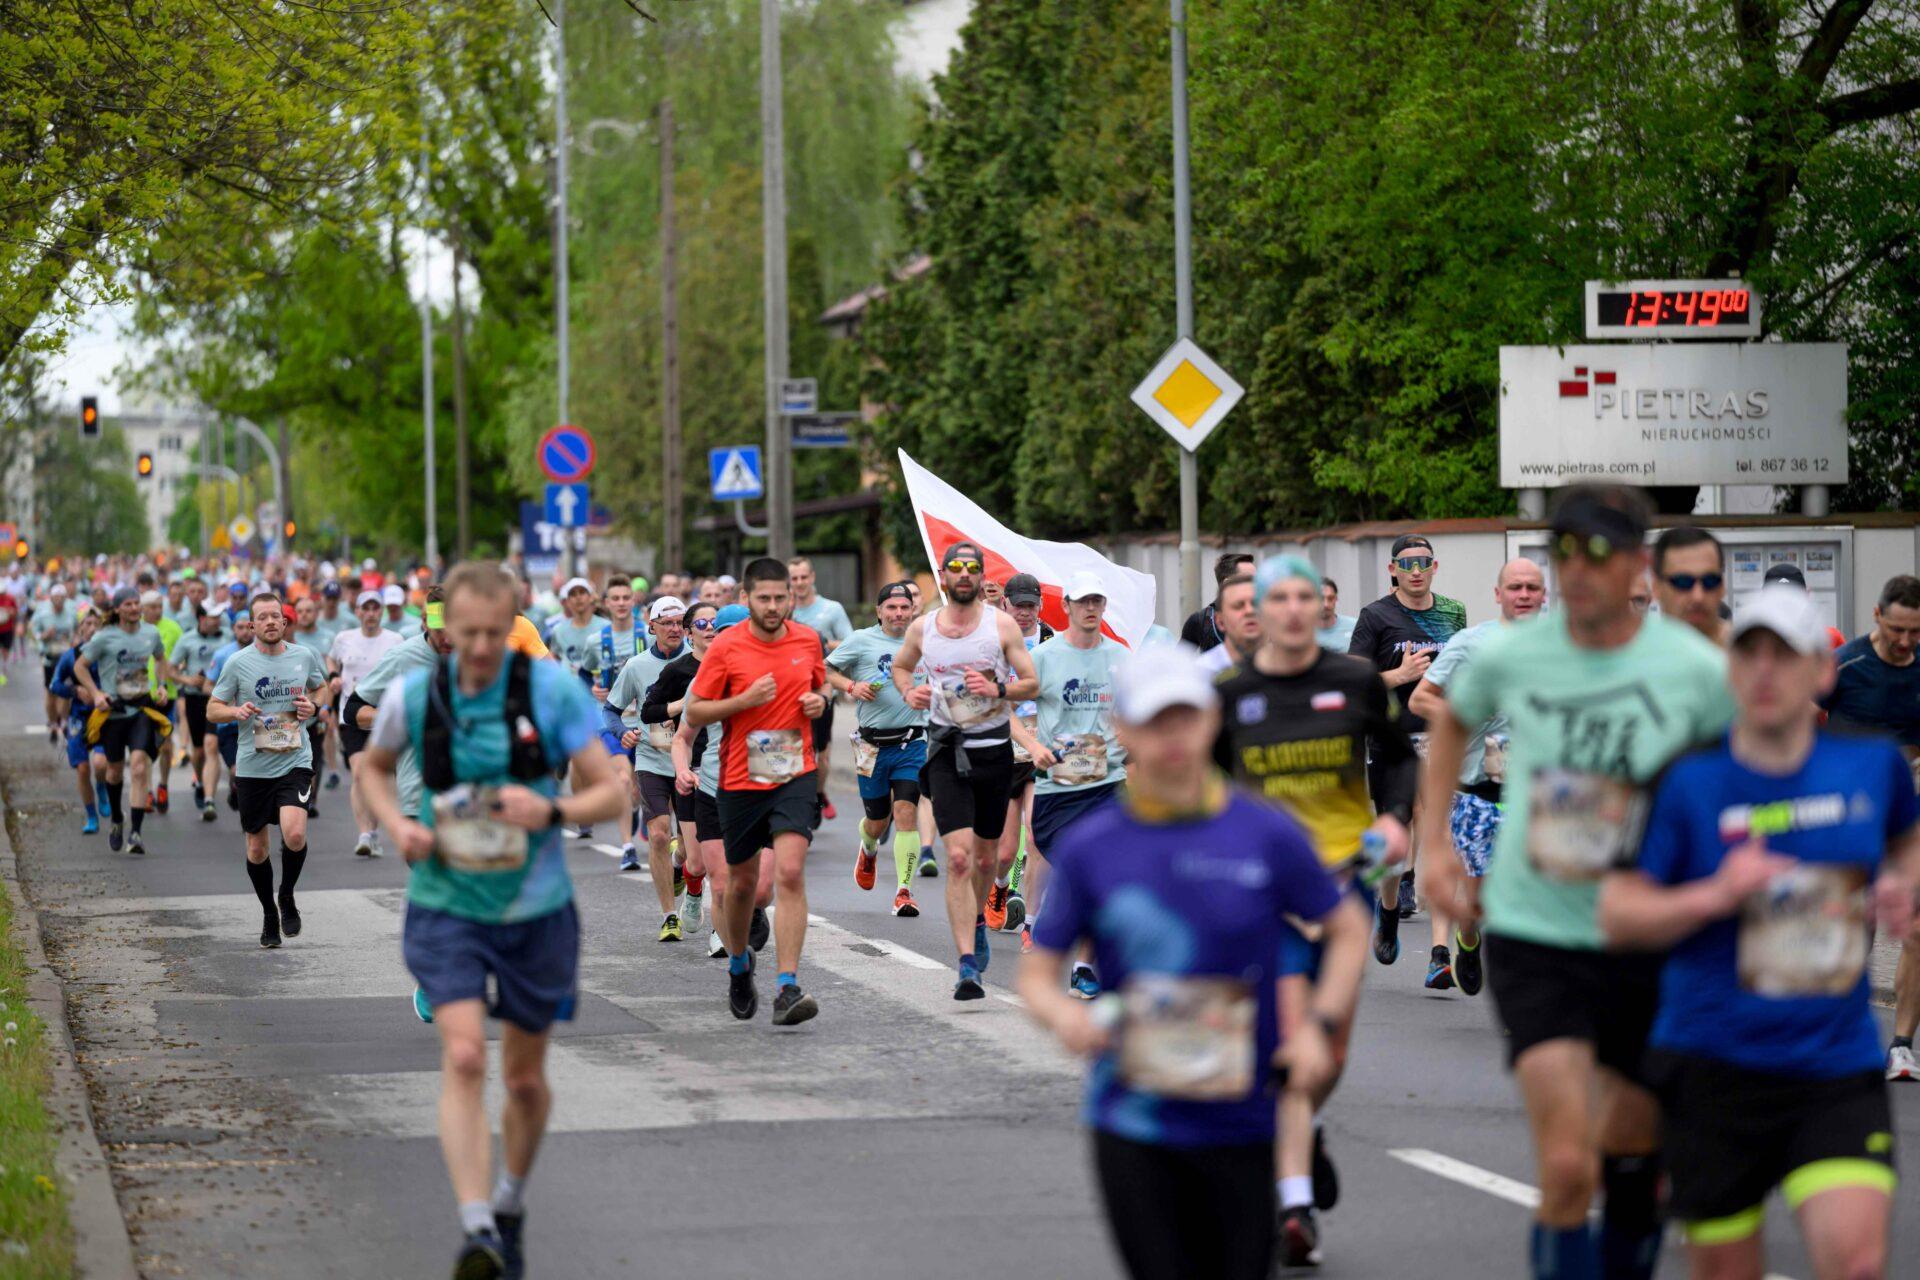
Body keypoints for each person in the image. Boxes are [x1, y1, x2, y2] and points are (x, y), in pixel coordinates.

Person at [1418, 485, 1733, 1280]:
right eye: (1564, 553)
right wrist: (1433, 847)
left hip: (1646, 936)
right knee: (1565, 1167)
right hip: (1536, 929)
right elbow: (1451, 718)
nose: (1577, 572)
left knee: (1632, 1163)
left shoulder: (1692, 669)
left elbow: (1731, 787)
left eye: (1598, 553)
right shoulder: (1516, 653)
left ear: (1635, 562)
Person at [1018, 643, 1365, 1280]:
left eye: (1186, 716)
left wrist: (1319, 1024)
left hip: (1242, 1113)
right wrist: (1065, 1018)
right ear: (1123, 730)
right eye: (1154, 720)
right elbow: (1039, 972)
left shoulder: (1264, 832)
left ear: (1211, 721)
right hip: (1133, 1116)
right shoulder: (1096, 847)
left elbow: (1346, 926)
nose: (1172, 736)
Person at [1600, 584, 1917, 1280]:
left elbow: (1906, 840)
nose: (1766, 671)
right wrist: (1715, 894)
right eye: (1750, 655)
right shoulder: (1685, 780)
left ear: (1823, 671)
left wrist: (1900, 881)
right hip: (1713, 1067)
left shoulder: (1872, 765)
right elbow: (1617, 913)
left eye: (1786, 655)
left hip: (1832, 1066)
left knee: (1858, 1262)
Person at [359, 561, 627, 1280]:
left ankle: (509, 1203)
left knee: (525, 1081)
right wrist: (395, 825)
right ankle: (475, 1226)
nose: (475, 647)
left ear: (514, 622)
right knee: (467, 1056)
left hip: (535, 910)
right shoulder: (415, 693)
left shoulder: (552, 692)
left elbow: (612, 795)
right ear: (441, 625)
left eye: (491, 631)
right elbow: (372, 768)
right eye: (461, 631)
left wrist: (555, 810)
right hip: (446, 904)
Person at [1211, 554, 1414, 1266]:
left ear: (1321, 608)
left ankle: (1308, 1131)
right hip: (1265, 893)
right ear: (1257, 612)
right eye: (1280, 598)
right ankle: (1292, 1206)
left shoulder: (1353, 680)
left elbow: (1397, 756)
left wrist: (1394, 817)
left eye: (1307, 597)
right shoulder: (1230, 693)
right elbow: (1204, 789)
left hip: (1342, 882)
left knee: (1329, 1053)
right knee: (1293, 1046)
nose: (1295, 609)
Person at [891, 542, 1039, 1001]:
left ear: (979, 577)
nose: (963, 574)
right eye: (955, 568)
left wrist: (997, 687)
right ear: (942, 574)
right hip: (945, 751)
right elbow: (901, 667)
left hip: (994, 752)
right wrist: (908, 691)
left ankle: (977, 916)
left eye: (971, 568)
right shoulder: (923, 628)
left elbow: (1032, 682)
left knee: (988, 858)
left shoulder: (1001, 626)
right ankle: (966, 965)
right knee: (958, 857)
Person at [685, 558, 829, 1025]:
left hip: (795, 773)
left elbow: (821, 688)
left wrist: (820, 701)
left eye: (780, 598)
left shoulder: (807, 639)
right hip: (740, 779)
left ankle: (787, 986)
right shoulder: (727, 646)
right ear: (747, 598)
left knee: (788, 873)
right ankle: (740, 963)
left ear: (791, 596)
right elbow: (696, 713)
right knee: (742, 885)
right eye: (763, 598)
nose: (773, 606)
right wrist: (742, 702)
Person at [1406, 558, 1548, 992]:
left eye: (1532, 588)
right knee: (1481, 897)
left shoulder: (1564, 645)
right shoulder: (1470, 643)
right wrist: (1468, 714)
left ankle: (1528, 979)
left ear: (1544, 595)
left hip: (1539, 789)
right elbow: (1419, 701)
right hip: (1478, 789)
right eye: (1515, 587)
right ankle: (1468, 937)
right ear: (1498, 594)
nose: (1523, 595)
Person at [1819, 574, 1920, 1080]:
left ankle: (1901, 1045)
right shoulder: (1844, 665)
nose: (1905, 642)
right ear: (1878, 616)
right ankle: (1839, 1029)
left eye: (1916, 632)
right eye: (1898, 629)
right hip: (1850, 804)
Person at [1011, 571, 1128, 999]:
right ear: (1067, 607)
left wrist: (1131, 751)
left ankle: (1084, 966)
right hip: (1056, 789)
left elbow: (1136, 714)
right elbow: (1003, 706)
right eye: (1083, 601)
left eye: (1097, 601)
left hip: (1108, 783)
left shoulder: (1120, 658)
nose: (1091, 608)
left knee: (1103, 875)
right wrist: (1030, 745)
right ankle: (1051, 933)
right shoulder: (1043, 657)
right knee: (1077, 875)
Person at [1348, 533, 1467, 930]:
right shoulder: (1375, 616)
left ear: (1434, 567)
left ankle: (1430, 923)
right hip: (1390, 737)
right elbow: (1352, 680)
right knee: (1396, 825)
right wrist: (1399, 674)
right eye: (1406, 564)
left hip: (1439, 735)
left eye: (1423, 562)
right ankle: (1388, 902)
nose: (1415, 571)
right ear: (1392, 570)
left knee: (1433, 821)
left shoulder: (1453, 612)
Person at [208, 594, 329, 948]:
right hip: (253, 767)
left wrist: (315, 704)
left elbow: (321, 688)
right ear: (251, 626)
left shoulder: (303, 656)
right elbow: (212, 709)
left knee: (294, 835)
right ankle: (267, 912)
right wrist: (235, 712)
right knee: (257, 849)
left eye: (276, 616)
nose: (271, 622)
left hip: (295, 760)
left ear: (284, 622)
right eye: (263, 618)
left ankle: (287, 894)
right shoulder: (237, 663)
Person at [658, 603, 756, 957]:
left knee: (756, 887)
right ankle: (730, 953)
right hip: (709, 783)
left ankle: (746, 914)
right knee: (715, 874)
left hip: (761, 789)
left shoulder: (772, 673)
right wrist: (683, 770)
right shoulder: (702, 679)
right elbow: (682, 737)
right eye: (722, 631)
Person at [825, 581, 928, 918]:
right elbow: (826, 670)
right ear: (879, 611)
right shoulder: (861, 640)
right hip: (871, 745)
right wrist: (852, 686)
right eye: (892, 608)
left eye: (904, 607)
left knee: (906, 814)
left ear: (913, 609)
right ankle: (868, 849)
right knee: (878, 821)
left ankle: (904, 891)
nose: (899, 613)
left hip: (913, 741)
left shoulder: (927, 640)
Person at [606, 597, 691, 937]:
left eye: (679, 622)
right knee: (657, 834)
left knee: (688, 846)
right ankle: (670, 915)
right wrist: (622, 733)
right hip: (651, 759)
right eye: (666, 623)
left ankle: (679, 862)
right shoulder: (636, 666)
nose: (674, 629)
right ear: (652, 626)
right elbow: (610, 710)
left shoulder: (699, 660)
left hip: (691, 762)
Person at [73, 586, 171, 854]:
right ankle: (117, 817)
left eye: (136, 603)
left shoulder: (150, 633)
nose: (133, 608)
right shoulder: (105, 637)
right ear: (117, 609)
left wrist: (161, 685)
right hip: (114, 713)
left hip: (140, 710)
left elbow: (161, 659)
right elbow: (79, 666)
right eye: (127, 604)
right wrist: (96, 694)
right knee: (113, 772)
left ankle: (136, 834)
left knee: (139, 768)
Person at [995, 572, 1054, 938]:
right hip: (1003, 748)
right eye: (1019, 606)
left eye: (1031, 606)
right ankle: (999, 887)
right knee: (1002, 851)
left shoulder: (1053, 643)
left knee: (1034, 836)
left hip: (1039, 749)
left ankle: (1031, 919)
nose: (1025, 613)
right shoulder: (993, 641)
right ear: (1005, 604)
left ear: (1041, 606)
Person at [330, 589, 404, 856]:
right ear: (358, 612)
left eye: (376, 608)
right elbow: (332, 659)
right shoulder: (344, 638)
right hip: (351, 716)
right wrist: (333, 677)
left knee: (380, 777)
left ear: (381, 611)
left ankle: (373, 831)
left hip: (384, 717)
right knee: (360, 773)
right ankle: (364, 833)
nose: (371, 613)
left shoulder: (395, 640)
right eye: (366, 608)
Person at [788, 556, 853, 824]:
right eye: (794, 578)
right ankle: (797, 800)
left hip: (822, 689)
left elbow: (851, 644)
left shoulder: (831, 609)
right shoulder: (784, 608)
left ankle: (817, 794)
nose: (800, 583)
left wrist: (823, 646)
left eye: (804, 577)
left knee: (821, 754)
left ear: (812, 577)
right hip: (791, 693)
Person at [167, 600, 229, 822]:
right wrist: (188, 679)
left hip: (222, 699)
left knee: (212, 745)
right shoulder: (187, 639)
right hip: (196, 698)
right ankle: (201, 782)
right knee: (199, 750)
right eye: (214, 617)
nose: (218, 621)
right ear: (202, 619)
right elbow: (170, 670)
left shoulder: (227, 637)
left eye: (219, 617)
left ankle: (222, 786)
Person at [50, 610, 109, 833]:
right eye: (88, 623)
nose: (93, 627)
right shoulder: (70, 656)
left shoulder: (107, 653)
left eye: (97, 623)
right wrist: (75, 689)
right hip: (79, 718)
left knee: (101, 763)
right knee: (83, 769)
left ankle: (102, 786)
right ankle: (91, 816)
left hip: (103, 716)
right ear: (80, 629)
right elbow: (54, 685)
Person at [1652, 527, 1728, 646]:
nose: (1698, 596)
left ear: (1722, 586)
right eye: (1683, 582)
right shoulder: (1635, 657)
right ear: (1656, 587)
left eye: (1710, 581)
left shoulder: (1749, 655)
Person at [31, 583, 82, 740]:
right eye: (56, 597)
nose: (59, 600)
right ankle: (53, 722)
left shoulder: (71, 613)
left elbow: (78, 630)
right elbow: (33, 632)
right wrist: (45, 635)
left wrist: (75, 640)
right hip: (50, 657)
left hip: (66, 657)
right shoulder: (43, 613)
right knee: (51, 692)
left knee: (65, 691)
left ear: (66, 599)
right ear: (51, 598)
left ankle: (64, 722)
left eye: (62, 597)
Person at [1180, 552, 1254, 651]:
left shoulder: (1267, 616)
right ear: (1227, 583)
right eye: (1249, 579)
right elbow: (1179, 662)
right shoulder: (1200, 621)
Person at [1195, 572, 1256, 674]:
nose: (1250, 611)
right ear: (1220, 621)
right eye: (1238, 605)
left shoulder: (1289, 668)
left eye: (1256, 603)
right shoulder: (1200, 674)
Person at [1315, 578, 1357, 653]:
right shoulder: (1303, 630)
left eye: (1330, 598)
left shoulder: (1354, 626)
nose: (1326, 604)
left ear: (1336, 599)